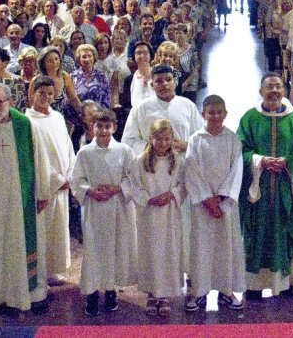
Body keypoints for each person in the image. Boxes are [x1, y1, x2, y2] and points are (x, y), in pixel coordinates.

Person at [0, 83, 53, 315]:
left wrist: (43, 192)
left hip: (21, 200)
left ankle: (29, 294)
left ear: (10, 102)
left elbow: (40, 159)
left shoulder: (25, 125)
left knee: (21, 241)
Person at [236, 73, 293, 299]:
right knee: (256, 234)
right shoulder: (249, 119)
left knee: (283, 231)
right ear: (261, 92)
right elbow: (240, 151)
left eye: (278, 87)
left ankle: (285, 285)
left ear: (284, 91)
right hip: (259, 191)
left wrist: (288, 162)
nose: (274, 91)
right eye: (269, 87)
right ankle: (255, 286)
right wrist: (259, 161)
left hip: (285, 190)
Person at [72, 108, 137, 316]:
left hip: (118, 207)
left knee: (114, 250)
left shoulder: (125, 151)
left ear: (114, 128)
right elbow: (77, 180)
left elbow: (133, 178)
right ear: (93, 127)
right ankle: (91, 293)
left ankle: (110, 291)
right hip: (95, 208)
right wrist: (90, 190)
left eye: (107, 126)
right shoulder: (84, 153)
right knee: (93, 252)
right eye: (99, 126)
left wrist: (117, 189)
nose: (103, 130)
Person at [184, 95, 246, 312]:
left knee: (225, 247)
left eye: (219, 112)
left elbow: (237, 169)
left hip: (226, 205)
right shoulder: (196, 139)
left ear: (226, 114)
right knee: (201, 247)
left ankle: (226, 291)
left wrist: (222, 198)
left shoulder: (232, 139)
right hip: (203, 206)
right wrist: (207, 199)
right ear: (203, 114)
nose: (215, 116)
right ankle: (199, 291)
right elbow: (191, 168)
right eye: (211, 112)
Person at [122, 118, 184, 316]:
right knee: (150, 253)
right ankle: (151, 294)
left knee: (168, 252)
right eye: (158, 139)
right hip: (148, 214)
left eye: (167, 139)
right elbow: (133, 185)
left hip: (169, 213)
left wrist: (171, 194)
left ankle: (164, 294)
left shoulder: (178, 161)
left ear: (172, 139)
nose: (163, 143)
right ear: (150, 139)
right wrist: (147, 199)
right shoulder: (140, 161)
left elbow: (184, 185)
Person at [25, 76, 76, 287]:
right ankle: (39, 274)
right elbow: (35, 157)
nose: (45, 97)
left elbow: (67, 146)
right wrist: (55, 180)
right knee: (42, 231)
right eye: (41, 93)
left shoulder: (57, 117)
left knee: (58, 229)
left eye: (50, 94)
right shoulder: (28, 121)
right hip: (45, 186)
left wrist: (71, 175)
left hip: (63, 184)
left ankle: (53, 270)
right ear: (33, 94)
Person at [121, 64, 204, 154]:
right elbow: (128, 141)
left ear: (175, 82)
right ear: (152, 85)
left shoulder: (188, 105)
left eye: (168, 79)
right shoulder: (140, 109)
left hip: (182, 163)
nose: (164, 84)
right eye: (159, 81)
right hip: (151, 164)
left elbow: (201, 137)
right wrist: (153, 147)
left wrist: (184, 145)